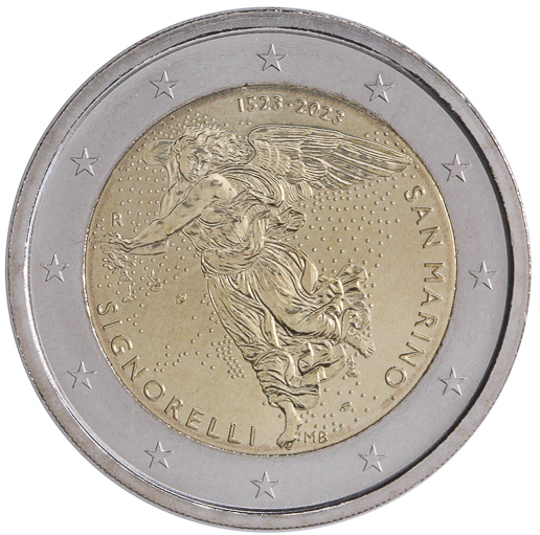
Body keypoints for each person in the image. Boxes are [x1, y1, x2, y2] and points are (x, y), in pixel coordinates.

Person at [108, 121, 409, 448]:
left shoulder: (212, 184)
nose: (198, 163)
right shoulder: (173, 196)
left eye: (204, 157)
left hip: (261, 265)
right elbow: (162, 236)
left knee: (298, 320)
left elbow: (166, 227)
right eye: (192, 156)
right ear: (177, 155)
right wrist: (127, 248)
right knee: (257, 348)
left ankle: (347, 331)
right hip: (223, 279)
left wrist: (130, 244)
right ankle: (291, 414)